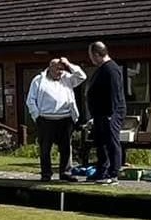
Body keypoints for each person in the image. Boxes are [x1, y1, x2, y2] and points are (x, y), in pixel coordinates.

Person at [26, 57, 87, 182]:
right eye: (58, 68)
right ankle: (46, 174)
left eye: (62, 68)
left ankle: (65, 172)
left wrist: (69, 64)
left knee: (66, 148)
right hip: (46, 119)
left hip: (65, 119)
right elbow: (30, 100)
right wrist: (37, 116)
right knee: (45, 149)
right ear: (50, 67)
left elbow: (82, 76)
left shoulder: (68, 78)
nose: (60, 71)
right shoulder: (38, 80)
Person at [86, 41, 125, 185]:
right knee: (100, 142)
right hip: (99, 113)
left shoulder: (111, 69)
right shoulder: (101, 69)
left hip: (110, 113)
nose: (90, 58)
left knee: (111, 142)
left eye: (91, 55)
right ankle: (102, 170)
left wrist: (111, 114)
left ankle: (113, 173)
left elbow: (114, 92)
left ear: (96, 54)